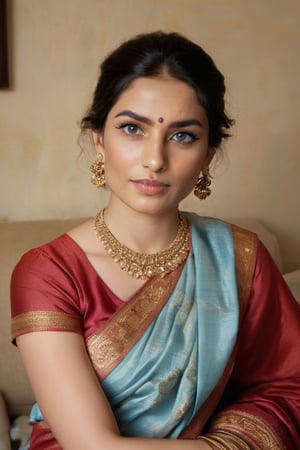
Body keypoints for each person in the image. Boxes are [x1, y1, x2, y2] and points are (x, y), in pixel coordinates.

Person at [10, 31, 300, 450]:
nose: (155, 159)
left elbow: (286, 385)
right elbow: (92, 445)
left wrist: (234, 438)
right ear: (98, 141)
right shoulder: (48, 271)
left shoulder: (240, 257)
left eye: (183, 135)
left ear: (208, 155)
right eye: (132, 128)